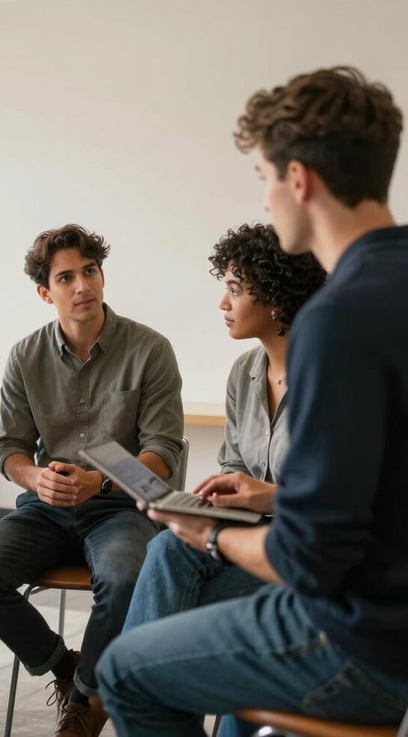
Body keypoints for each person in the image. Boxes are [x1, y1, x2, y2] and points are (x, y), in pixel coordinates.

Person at [97, 66, 408, 736]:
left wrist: (206, 532)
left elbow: (308, 559)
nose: (267, 201)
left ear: (299, 180)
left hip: (363, 642)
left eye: (267, 179)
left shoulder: (337, 317)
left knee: (123, 669)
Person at [0, 224, 184, 737]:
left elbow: (163, 455)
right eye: (67, 277)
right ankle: (69, 668)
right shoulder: (24, 356)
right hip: (48, 507)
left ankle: (84, 700)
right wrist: (36, 477)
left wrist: (99, 484)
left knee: (127, 576)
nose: (83, 285)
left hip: (123, 507)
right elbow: (9, 449)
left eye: (90, 271)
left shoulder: (151, 349)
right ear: (45, 292)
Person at [123, 223, 325, 631]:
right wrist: (212, 498)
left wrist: (271, 497)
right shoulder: (244, 371)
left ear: (274, 298)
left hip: (309, 552)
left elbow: (347, 499)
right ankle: (133, 684)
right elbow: (235, 462)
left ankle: (130, 684)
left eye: (234, 290)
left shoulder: (333, 378)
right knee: (167, 544)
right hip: (247, 534)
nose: (222, 303)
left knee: (183, 607)